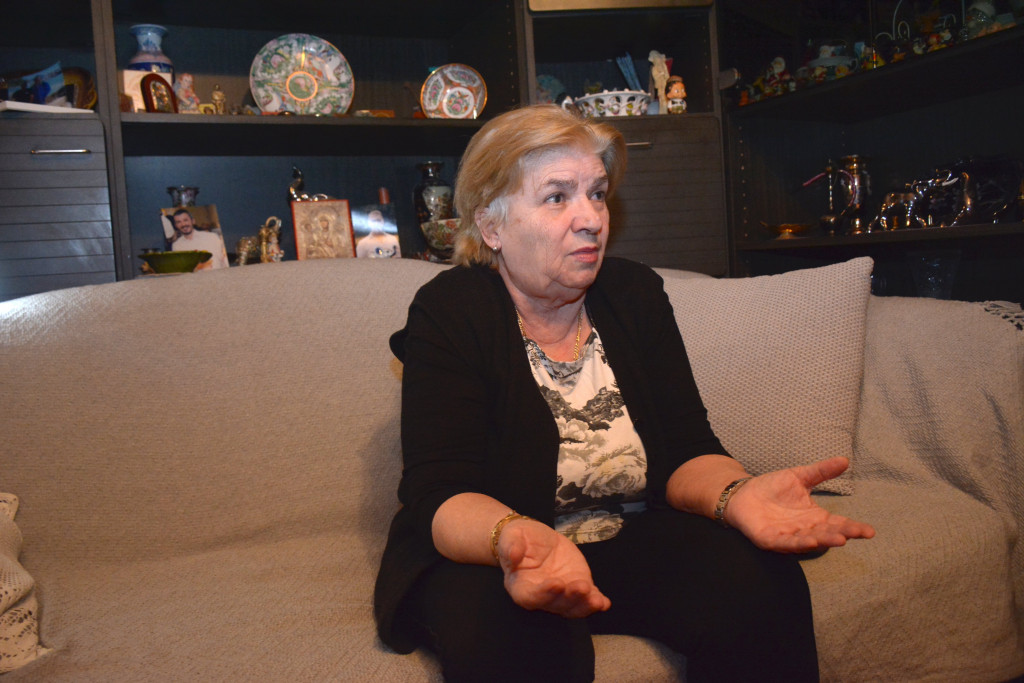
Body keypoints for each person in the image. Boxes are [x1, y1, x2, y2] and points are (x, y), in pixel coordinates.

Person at [374, 104, 875, 682]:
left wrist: (735, 495)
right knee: (515, 632)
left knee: (759, 580)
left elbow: (687, 449)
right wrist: (517, 540)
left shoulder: (634, 293)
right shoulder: (451, 311)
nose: (591, 218)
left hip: (629, 537)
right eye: (557, 197)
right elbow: (440, 493)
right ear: (492, 226)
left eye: (597, 194)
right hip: (493, 551)